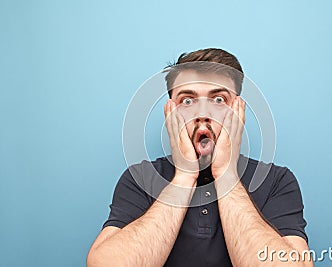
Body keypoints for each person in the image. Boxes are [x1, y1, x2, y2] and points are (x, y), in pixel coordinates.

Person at [87, 48, 313, 267]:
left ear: (238, 111)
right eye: (187, 101)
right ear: (170, 112)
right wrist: (184, 176)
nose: (202, 114)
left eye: (218, 100)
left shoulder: (276, 181)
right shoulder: (141, 178)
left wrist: (226, 174)